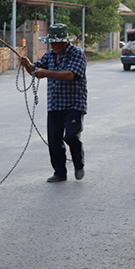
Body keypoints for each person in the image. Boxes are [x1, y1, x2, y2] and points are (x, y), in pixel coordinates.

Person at [20, 23, 87, 182]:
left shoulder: (76, 54)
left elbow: (70, 75)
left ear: (65, 41)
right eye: (51, 42)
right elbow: (37, 72)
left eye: (56, 42)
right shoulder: (49, 55)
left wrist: (45, 73)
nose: (53, 45)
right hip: (55, 104)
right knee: (54, 140)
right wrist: (28, 65)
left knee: (71, 136)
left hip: (74, 104)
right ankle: (60, 173)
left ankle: (78, 163)